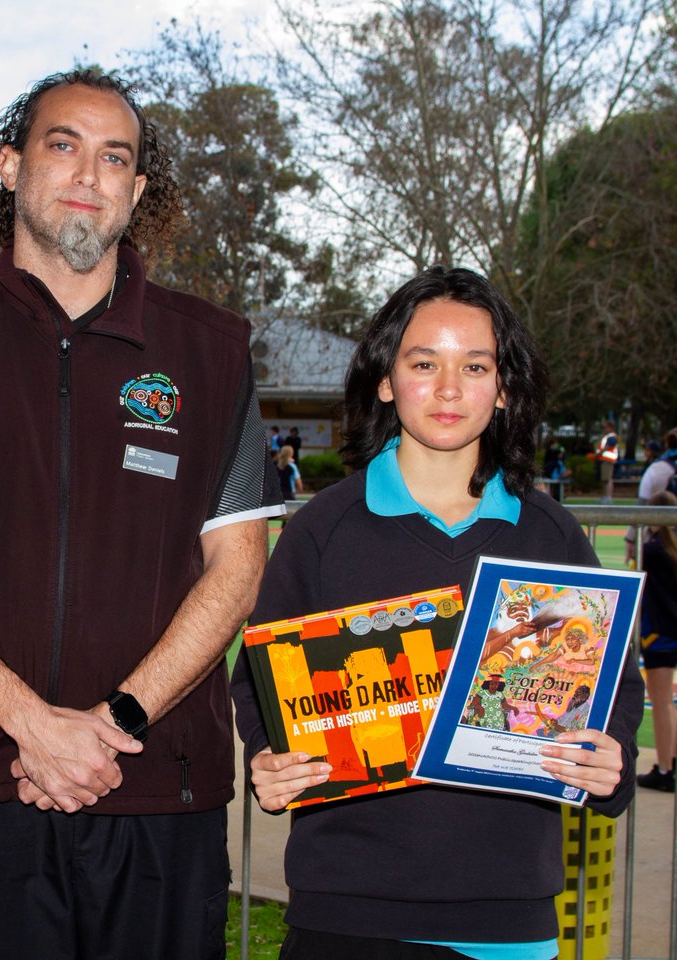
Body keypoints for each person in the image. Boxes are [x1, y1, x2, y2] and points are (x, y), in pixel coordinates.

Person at [0, 69, 282, 960]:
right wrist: (32, 723)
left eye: (114, 156)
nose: (88, 172)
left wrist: (115, 725)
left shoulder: (212, 350)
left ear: (135, 192)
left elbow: (238, 568)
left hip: (158, 785)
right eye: (64, 145)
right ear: (11, 167)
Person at [231, 266, 642, 960]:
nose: (449, 388)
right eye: (424, 363)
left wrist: (613, 761)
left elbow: (617, 689)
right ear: (387, 380)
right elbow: (259, 681)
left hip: (510, 917)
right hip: (347, 913)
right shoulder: (324, 531)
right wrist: (268, 757)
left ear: (503, 386)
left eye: (474, 365)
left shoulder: (549, 535)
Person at [637, 490, 677, 793]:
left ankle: (665, 769)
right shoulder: (670, 549)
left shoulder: (651, 551)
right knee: (666, 705)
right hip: (668, 631)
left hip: (659, 635)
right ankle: (668, 762)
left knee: (662, 704)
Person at [625, 428, 677, 565]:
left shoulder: (657, 469)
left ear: (667, 444)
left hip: (657, 544)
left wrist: (631, 538)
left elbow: (641, 506)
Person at [593, 418, 619, 503]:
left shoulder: (611, 437)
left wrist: (597, 455)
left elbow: (606, 448)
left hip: (607, 460)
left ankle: (608, 496)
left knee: (608, 479)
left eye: (605, 427)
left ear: (610, 428)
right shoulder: (608, 437)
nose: (604, 429)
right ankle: (606, 496)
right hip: (605, 460)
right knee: (605, 479)